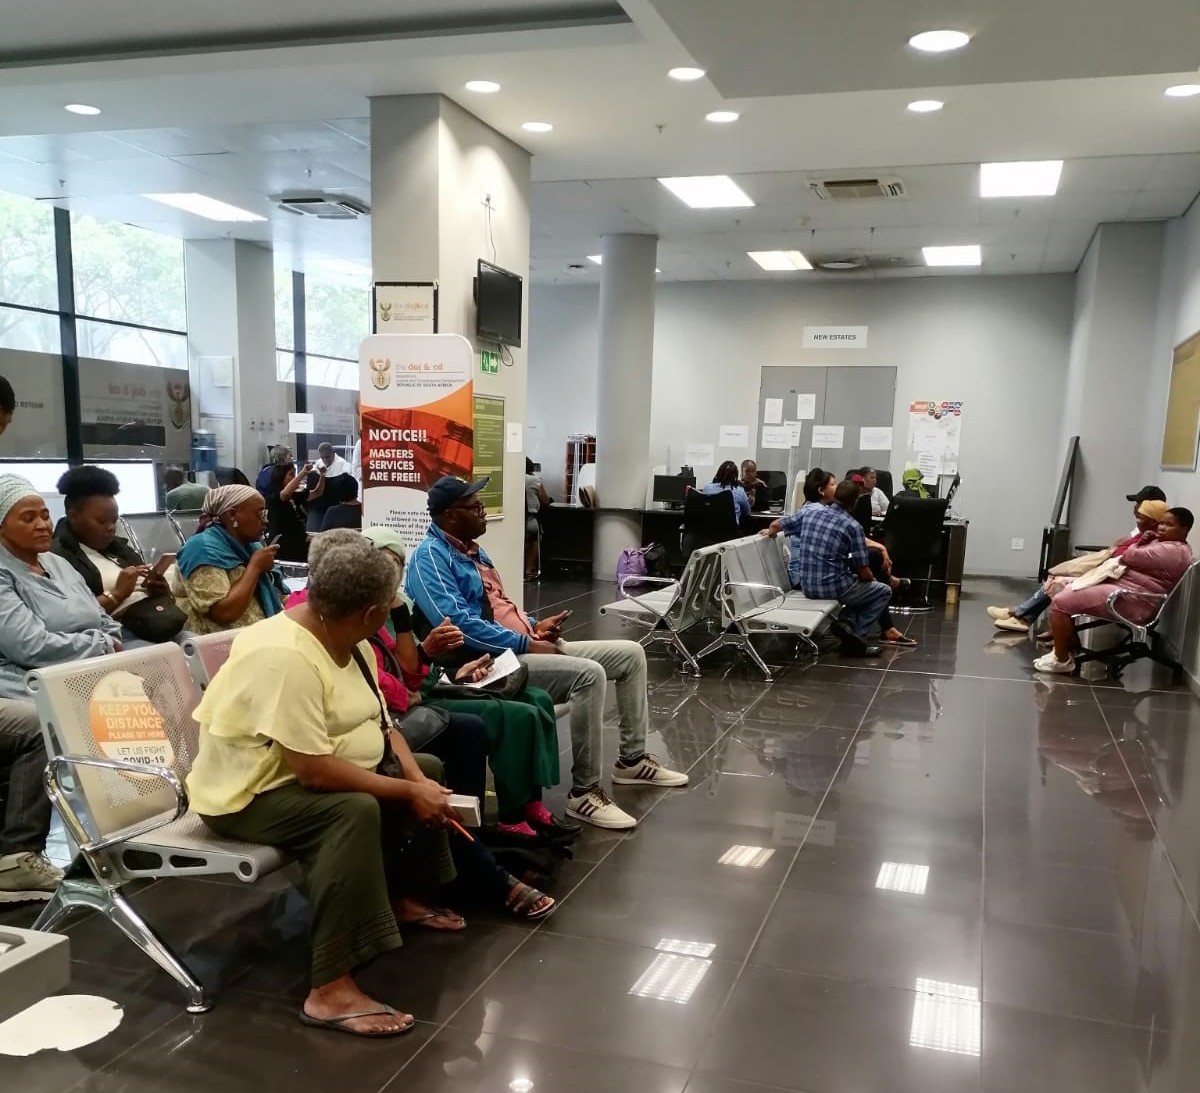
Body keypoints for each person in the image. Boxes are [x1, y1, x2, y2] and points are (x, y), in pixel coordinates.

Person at [188, 532, 553, 1036]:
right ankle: (329, 989)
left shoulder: (344, 638)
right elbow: (313, 772)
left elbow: (386, 725)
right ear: (369, 613)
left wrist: (415, 777)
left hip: (299, 775)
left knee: (428, 768)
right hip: (247, 795)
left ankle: (400, 899)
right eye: (390, 605)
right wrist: (407, 792)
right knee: (353, 810)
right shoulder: (285, 655)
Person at [406, 476, 688, 831]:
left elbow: (501, 607)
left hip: (523, 643)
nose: (483, 512)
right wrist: (526, 643)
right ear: (449, 516)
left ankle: (631, 761)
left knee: (631, 654)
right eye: (475, 506)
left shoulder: (473, 550)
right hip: (490, 662)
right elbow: (459, 626)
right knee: (589, 674)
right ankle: (584, 793)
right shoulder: (429, 559)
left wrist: (534, 625)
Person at [359, 525, 571, 839]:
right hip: (414, 698)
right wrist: (429, 659)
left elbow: (418, 665)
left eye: (395, 565)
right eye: (382, 564)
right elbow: (396, 673)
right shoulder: (368, 612)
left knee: (536, 698)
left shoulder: (402, 606)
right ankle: (510, 814)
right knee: (516, 715)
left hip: (430, 684)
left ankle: (530, 801)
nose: (389, 574)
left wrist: (455, 672)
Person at [1034, 507, 1195, 675]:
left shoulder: (1172, 551)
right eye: (1161, 523)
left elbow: (1128, 555)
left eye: (1169, 525)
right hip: (1126, 592)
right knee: (1063, 587)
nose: (1161, 528)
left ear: (1184, 529)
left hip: (1132, 601)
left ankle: (1061, 660)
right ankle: (1060, 650)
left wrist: (1140, 543)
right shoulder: (1164, 544)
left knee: (1061, 601)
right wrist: (1142, 544)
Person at [989, 498, 1168, 634]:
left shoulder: (1151, 542)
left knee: (1057, 583)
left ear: (1153, 520)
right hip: (1109, 574)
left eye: (1141, 517)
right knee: (1054, 579)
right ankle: (1023, 616)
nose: (1136, 519)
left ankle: (1025, 617)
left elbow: (1126, 557)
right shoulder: (1143, 535)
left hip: (1114, 582)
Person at [51, 466, 186, 644]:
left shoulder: (119, 548)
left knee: (203, 647)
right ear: (73, 516)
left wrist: (159, 589)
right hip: (119, 634)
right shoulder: (58, 558)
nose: (110, 527)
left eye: (114, 520)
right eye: (101, 521)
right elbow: (72, 619)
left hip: (158, 621)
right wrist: (117, 594)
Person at [769, 480, 891, 656]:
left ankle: (847, 624)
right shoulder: (852, 526)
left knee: (861, 591)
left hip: (807, 586)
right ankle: (855, 637)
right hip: (834, 588)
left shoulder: (811, 513)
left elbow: (777, 525)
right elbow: (863, 572)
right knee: (881, 591)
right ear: (854, 502)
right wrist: (874, 579)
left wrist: (769, 532)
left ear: (835, 496)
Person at [171, 485, 284, 635]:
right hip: (219, 646)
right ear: (232, 515)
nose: (265, 521)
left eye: (266, 514)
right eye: (260, 514)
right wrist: (255, 567)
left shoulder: (251, 546)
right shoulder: (202, 550)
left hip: (257, 636)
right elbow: (224, 613)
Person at [265, 460, 316, 562]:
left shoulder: (295, 496)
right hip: (284, 547)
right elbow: (284, 494)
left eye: (295, 474)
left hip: (299, 544)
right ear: (281, 477)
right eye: (291, 475)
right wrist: (303, 473)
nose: (294, 478)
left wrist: (323, 475)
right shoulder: (273, 497)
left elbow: (317, 493)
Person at [305, 444, 354, 533]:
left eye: (327, 457)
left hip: (335, 505)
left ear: (333, 453)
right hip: (318, 505)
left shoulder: (343, 465)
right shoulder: (318, 463)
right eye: (322, 457)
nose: (325, 460)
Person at [701, 460, 752, 527]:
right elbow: (747, 512)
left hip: (707, 529)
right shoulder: (739, 491)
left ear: (719, 473)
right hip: (730, 532)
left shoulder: (707, 488)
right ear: (735, 476)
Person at [524, 458, 551, 580]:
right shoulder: (534, 480)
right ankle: (529, 570)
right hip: (531, 519)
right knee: (534, 539)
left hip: (516, 520)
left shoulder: (512, 477)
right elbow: (545, 499)